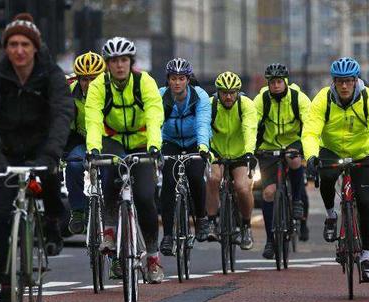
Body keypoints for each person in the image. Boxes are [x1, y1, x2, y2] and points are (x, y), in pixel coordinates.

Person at [0, 13, 74, 302]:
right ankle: (5, 289)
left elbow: (62, 113)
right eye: (13, 44)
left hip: (42, 147)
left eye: (25, 44)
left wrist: (52, 153)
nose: (19, 50)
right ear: (6, 48)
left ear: (34, 47)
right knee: (4, 218)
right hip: (7, 151)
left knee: (49, 183)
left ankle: (55, 222)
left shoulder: (51, 74)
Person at [302, 57, 369, 282]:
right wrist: (311, 156)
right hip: (331, 149)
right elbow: (311, 131)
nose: (344, 86)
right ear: (333, 81)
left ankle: (366, 257)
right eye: (340, 81)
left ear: (356, 80)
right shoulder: (323, 98)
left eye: (349, 81)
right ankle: (331, 215)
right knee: (327, 177)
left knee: (365, 202)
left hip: (363, 152)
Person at [85, 37, 165, 283]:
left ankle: (153, 259)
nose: (119, 66)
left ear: (131, 62)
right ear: (107, 65)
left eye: (124, 60)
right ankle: (109, 230)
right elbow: (93, 118)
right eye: (114, 61)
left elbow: (154, 114)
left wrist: (153, 146)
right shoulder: (99, 86)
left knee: (144, 198)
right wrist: (93, 149)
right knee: (111, 170)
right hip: (113, 140)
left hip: (142, 142)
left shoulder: (145, 82)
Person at [253, 63, 311, 259]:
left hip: (293, 142)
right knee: (268, 193)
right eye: (272, 82)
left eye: (279, 82)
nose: (276, 85)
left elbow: (310, 124)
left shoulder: (298, 98)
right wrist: (251, 149)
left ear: (285, 81)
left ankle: (296, 201)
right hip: (268, 147)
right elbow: (251, 124)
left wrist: (306, 149)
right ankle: (270, 240)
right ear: (268, 83)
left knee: (293, 160)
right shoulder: (261, 100)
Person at [158, 58, 212, 255]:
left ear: (188, 79)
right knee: (168, 185)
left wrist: (203, 147)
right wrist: (155, 148)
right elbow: (156, 124)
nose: (177, 83)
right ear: (168, 80)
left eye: (181, 78)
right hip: (170, 142)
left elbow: (203, 123)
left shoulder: (200, 96)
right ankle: (167, 236)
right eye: (173, 78)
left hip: (194, 142)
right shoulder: (161, 96)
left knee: (196, 176)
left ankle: (201, 218)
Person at [202, 71, 257, 250]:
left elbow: (250, 129)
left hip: (241, 153)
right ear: (217, 92)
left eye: (232, 92)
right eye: (224, 92)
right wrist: (205, 150)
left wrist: (249, 152)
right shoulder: (210, 105)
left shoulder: (246, 105)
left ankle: (246, 227)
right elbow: (203, 129)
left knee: (242, 187)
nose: (228, 96)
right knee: (213, 178)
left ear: (238, 92)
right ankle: (211, 222)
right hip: (217, 152)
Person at [65, 52, 106, 234]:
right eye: (84, 79)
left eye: (93, 79)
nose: (88, 85)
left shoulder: (111, 89)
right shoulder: (69, 89)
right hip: (82, 139)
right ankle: (78, 211)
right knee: (73, 165)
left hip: (107, 140)